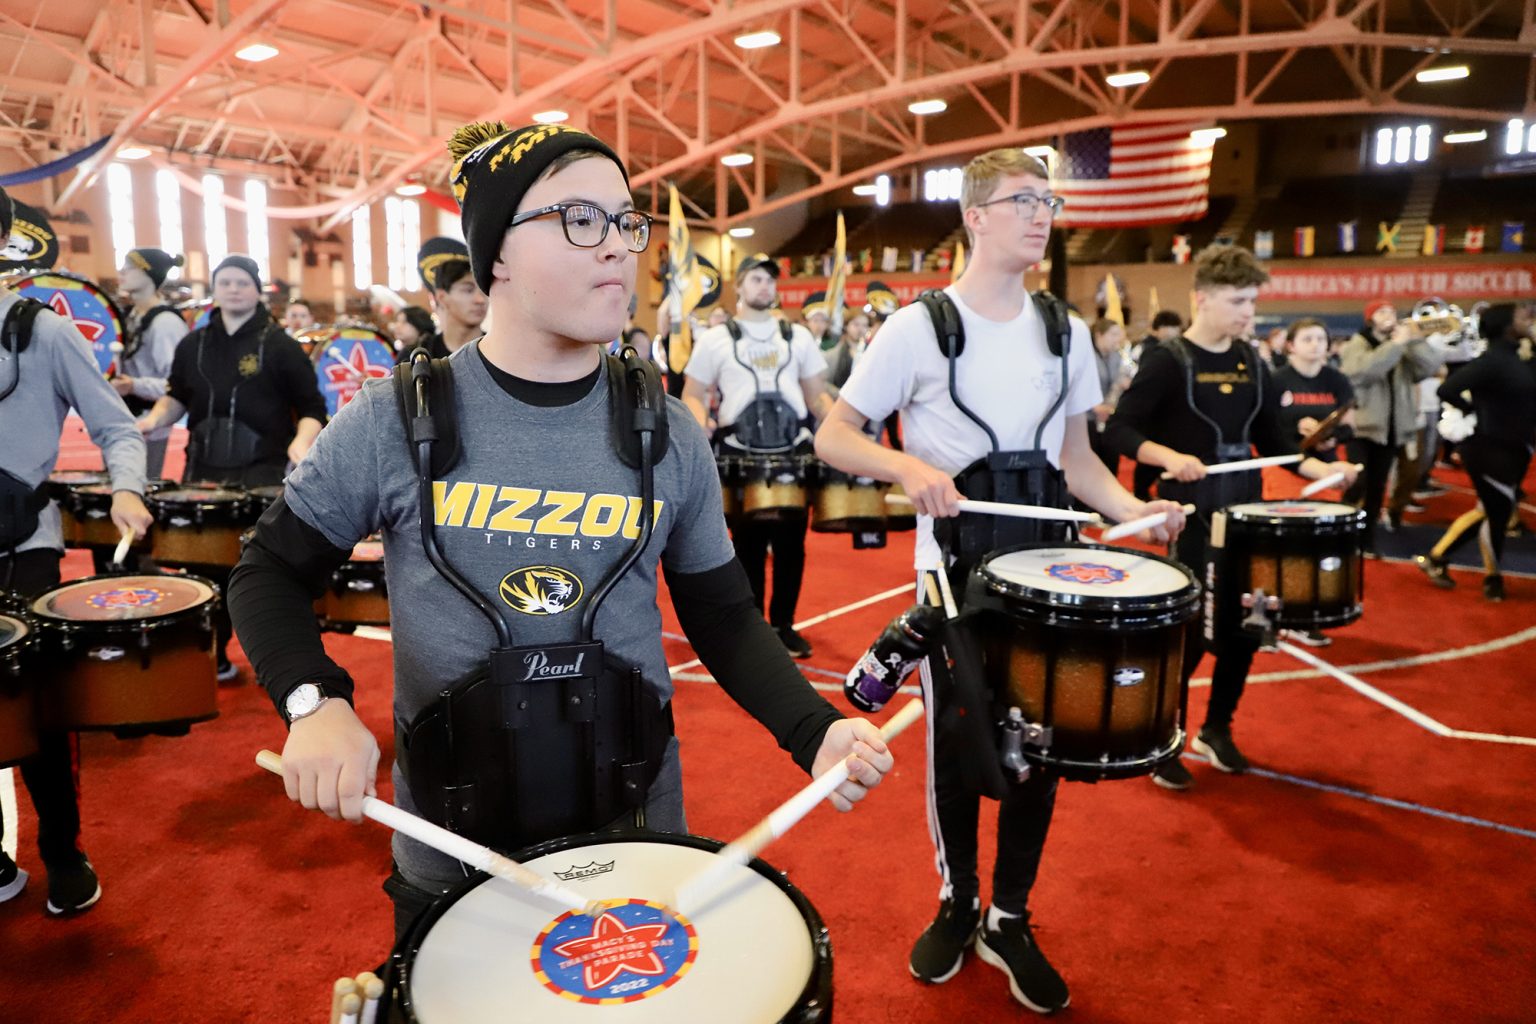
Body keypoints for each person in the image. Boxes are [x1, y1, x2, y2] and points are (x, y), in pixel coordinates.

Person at [226, 120, 895, 939]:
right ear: (496, 254)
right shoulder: (394, 420)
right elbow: (266, 574)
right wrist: (312, 700)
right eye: (580, 219)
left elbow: (720, 614)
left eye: (625, 221)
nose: (617, 246)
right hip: (452, 849)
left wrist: (814, 728)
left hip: (637, 832)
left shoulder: (669, 430)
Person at [815, 147, 1187, 1015]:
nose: (1041, 213)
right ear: (975, 217)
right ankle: (957, 901)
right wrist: (904, 465)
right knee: (961, 745)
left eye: (1048, 201)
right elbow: (836, 435)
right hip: (954, 568)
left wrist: (1135, 511)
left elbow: (1077, 461)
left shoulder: (1065, 330)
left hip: (1047, 564)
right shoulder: (918, 326)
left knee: (1043, 745)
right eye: (1022, 200)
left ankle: (1009, 916)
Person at [1105, 245, 1358, 791]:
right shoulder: (1167, 360)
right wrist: (1168, 457)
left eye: (1253, 300)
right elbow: (1119, 430)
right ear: (1203, 298)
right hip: (1192, 515)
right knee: (1190, 634)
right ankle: (1166, 735)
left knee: (1249, 622)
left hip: (1246, 511)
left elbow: (1277, 442)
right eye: (1238, 300)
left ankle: (1216, 728)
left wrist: (1324, 467)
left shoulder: (1251, 360)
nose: (1249, 311)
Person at [0, 184, 155, 916]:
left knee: (38, 712)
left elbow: (118, 426)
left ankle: (62, 851)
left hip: (22, 543)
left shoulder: (42, 331)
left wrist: (127, 489)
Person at [134, 253, 326, 679]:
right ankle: (213, 656)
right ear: (214, 290)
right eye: (225, 282)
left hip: (261, 474)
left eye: (242, 282)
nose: (233, 288)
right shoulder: (192, 344)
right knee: (203, 570)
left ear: (257, 290)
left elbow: (313, 407)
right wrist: (149, 421)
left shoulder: (281, 345)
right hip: (202, 473)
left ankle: (284, 664)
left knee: (269, 573)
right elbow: (177, 397)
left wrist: (300, 443)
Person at [681, 254, 833, 658]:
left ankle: (784, 625)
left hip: (792, 453)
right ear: (741, 286)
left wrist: (843, 425)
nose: (765, 286)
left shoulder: (798, 336)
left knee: (791, 546)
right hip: (738, 454)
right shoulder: (715, 339)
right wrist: (700, 425)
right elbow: (694, 394)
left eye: (770, 280)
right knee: (746, 545)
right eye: (757, 279)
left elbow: (817, 394)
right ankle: (752, 630)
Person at [1414, 303, 1536, 602]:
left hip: (1516, 446)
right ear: (1505, 325)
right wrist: (1475, 412)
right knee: (1497, 510)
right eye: (1523, 317)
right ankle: (1475, 571)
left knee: (1493, 510)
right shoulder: (1492, 360)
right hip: (1488, 446)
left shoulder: (1521, 358)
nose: (1529, 320)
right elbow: (1448, 390)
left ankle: (1461, 565)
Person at [1270, 317, 1357, 646]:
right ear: (1290, 345)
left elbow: (1350, 424)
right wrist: (1297, 432)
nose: (1315, 345)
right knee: (1286, 544)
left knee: (1317, 544)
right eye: (1307, 339)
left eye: (1321, 339)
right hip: (1286, 470)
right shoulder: (1277, 380)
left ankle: (1306, 612)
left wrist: (1329, 436)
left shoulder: (1336, 379)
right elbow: (1266, 427)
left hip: (1326, 469)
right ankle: (1280, 610)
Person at [1337, 300, 1445, 556]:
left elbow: (1429, 367)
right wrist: (1395, 345)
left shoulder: (1402, 345)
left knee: (1378, 486)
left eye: (1392, 311)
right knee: (1358, 482)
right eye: (1382, 312)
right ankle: (1343, 529)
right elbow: (1362, 372)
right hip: (1363, 426)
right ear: (1370, 318)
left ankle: (1367, 538)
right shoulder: (1358, 344)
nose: (1390, 316)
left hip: (1393, 427)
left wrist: (1414, 340)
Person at [114, 247, 189, 479]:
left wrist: (134, 385)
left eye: (130, 267)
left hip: (149, 423)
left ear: (149, 274)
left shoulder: (165, 323)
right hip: (122, 418)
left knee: (139, 489)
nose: (122, 272)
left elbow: (177, 384)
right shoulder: (129, 316)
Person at [401, 237, 487, 363]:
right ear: (441, 297)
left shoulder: (502, 355)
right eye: (468, 290)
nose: (480, 300)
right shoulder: (415, 357)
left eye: (484, 291)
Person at [1128, 311, 1185, 499]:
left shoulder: (1177, 349)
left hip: (1167, 412)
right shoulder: (1150, 351)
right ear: (1157, 330)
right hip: (1151, 413)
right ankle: (1141, 494)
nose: (1171, 336)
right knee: (1148, 458)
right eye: (1167, 331)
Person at [1088, 318, 1132, 472]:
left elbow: (1117, 381)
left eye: (1119, 335)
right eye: (1113, 334)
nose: (1118, 339)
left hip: (1109, 416)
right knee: (1091, 465)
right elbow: (1077, 385)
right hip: (1088, 418)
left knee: (1111, 464)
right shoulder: (1086, 355)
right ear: (1099, 335)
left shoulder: (1117, 356)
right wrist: (1094, 407)